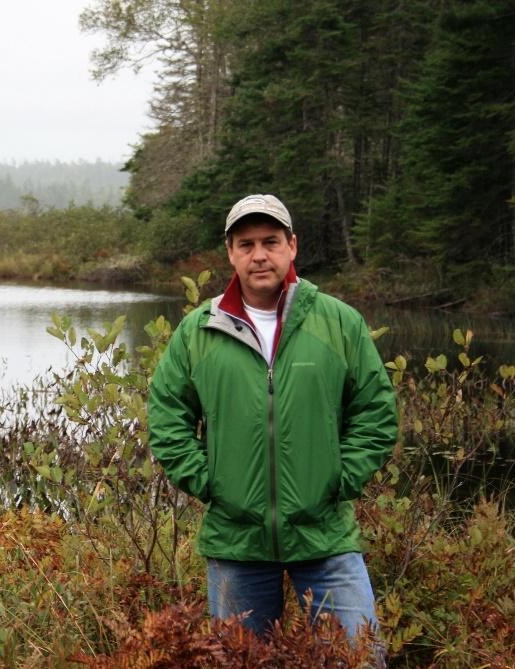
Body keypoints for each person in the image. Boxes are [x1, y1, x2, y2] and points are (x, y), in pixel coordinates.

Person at [147, 193, 398, 642]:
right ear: (230, 253)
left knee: (357, 656)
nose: (259, 255)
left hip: (326, 535)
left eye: (270, 241)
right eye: (246, 244)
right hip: (235, 541)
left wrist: (339, 479)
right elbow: (168, 418)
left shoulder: (339, 322)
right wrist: (210, 483)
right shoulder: (199, 330)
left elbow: (375, 413)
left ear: (292, 246)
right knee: (238, 659)